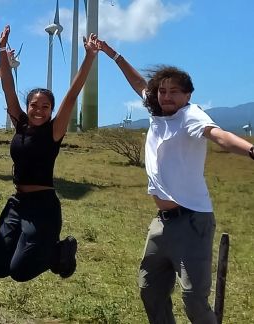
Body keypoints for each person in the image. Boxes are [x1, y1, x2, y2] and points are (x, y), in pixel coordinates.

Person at [97, 38, 254, 323]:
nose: (166, 96)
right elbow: (137, 83)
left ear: (188, 95)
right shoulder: (156, 111)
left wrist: (251, 150)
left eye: (174, 92)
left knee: (194, 300)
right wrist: (112, 54)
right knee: (150, 289)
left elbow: (219, 136)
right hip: (161, 223)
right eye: (162, 91)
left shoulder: (191, 116)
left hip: (192, 221)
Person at [0, 25, 98, 282]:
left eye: (45, 107)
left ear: (50, 110)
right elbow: (7, 87)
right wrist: (2, 51)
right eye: (34, 106)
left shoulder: (54, 131)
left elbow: (71, 96)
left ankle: (59, 251)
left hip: (43, 207)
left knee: (20, 272)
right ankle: (29, 246)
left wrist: (89, 57)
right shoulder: (20, 124)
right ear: (27, 107)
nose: (39, 110)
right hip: (17, 203)